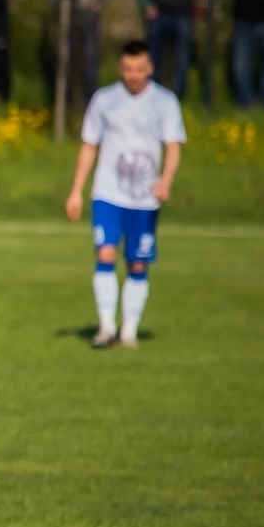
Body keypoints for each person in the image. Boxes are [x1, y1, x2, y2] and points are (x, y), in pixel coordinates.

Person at [66, 41, 184, 349]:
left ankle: (129, 331)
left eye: (139, 69)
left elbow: (173, 145)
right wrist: (76, 191)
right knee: (105, 253)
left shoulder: (165, 102)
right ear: (120, 68)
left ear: (150, 68)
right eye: (128, 69)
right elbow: (89, 144)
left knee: (137, 263)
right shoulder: (104, 100)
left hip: (144, 198)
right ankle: (106, 328)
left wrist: (166, 181)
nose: (133, 75)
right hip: (107, 192)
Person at [136, 0, 195, 99]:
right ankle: (151, 96)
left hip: (183, 12)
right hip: (157, 13)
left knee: (182, 59)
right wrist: (145, 3)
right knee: (153, 59)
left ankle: (178, 98)